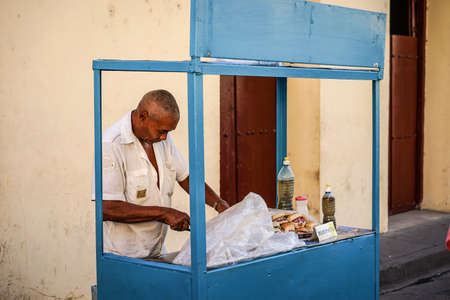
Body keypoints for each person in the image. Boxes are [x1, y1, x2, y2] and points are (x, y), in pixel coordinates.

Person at [92, 89, 230, 259]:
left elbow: (186, 177)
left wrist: (219, 204)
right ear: (143, 116)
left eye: (168, 132)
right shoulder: (111, 144)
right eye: (162, 131)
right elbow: (106, 208)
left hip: (156, 251)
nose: (165, 137)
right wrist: (164, 213)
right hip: (123, 256)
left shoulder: (160, 138)